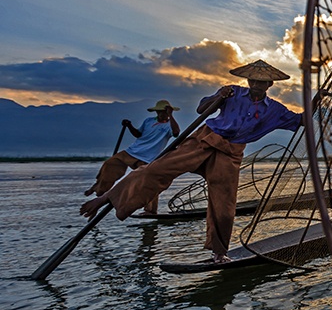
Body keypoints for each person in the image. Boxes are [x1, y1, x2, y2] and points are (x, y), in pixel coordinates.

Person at [81, 60, 302, 264]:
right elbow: (202, 109)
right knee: (156, 170)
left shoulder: (274, 109)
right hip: (204, 140)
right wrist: (219, 98)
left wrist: (318, 99)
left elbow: (299, 120)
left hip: (230, 153)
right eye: (252, 80)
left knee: (224, 204)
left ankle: (219, 252)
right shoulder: (232, 92)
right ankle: (107, 196)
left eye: (260, 82)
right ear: (248, 80)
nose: (255, 84)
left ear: (269, 84)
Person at [84, 100, 181, 215]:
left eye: (165, 112)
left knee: (149, 182)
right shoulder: (148, 121)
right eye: (160, 112)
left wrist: (171, 115)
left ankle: (150, 210)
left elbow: (176, 133)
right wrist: (129, 126)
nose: (162, 114)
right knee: (110, 163)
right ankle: (99, 189)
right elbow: (138, 134)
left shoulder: (169, 125)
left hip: (148, 159)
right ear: (156, 112)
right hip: (132, 152)